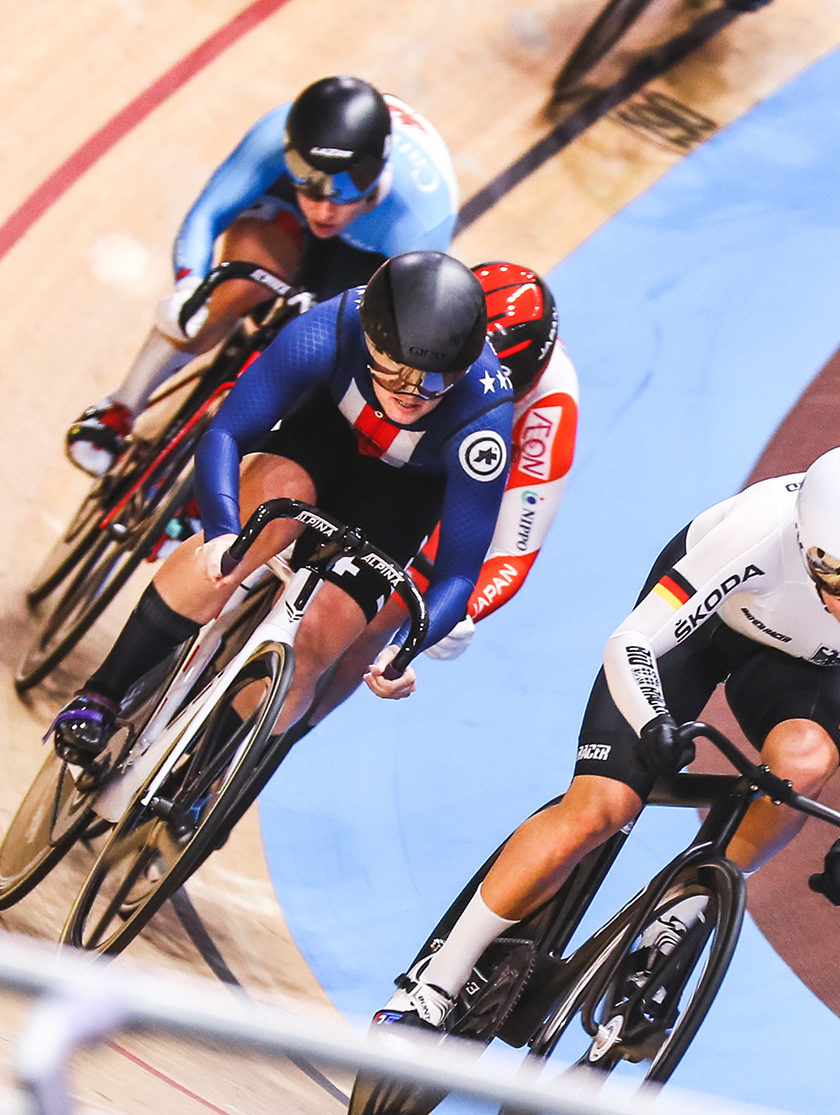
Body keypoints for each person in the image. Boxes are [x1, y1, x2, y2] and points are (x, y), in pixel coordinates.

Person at [375, 445, 840, 1031]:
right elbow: (631, 644)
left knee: (803, 769)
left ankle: (676, 921)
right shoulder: (757, 532)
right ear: (809, 550)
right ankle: (431, 987)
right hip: (700, 629)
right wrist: (654, 720)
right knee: (601, 807)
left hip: (804, 668)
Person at [50, 250, 515, 763]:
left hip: (400, 497)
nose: (408, 395)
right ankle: (100, 695)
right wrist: (224, 530)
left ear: (464, 369)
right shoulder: (332, 327)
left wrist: (406, 650)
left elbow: (457, 574)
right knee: (232, 554)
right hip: (323, 439)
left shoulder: (484, 422)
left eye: (431, 381)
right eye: (390, 369)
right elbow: (227, 432)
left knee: (315, 640)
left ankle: (205, 772)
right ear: (369, 340)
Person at [65, 75, 459, 476]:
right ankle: (119, 409)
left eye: (340, 197)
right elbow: (207, 215)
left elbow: (405, 331)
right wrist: (189, 286)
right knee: (230, 289)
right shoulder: (277, 132)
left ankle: (211, 483)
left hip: (368, 256)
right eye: (312, 188)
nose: (323, 211)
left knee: (318, 375)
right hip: (283, 207)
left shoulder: (421, 219)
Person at [295, 261, 576, 729]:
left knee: (380, 618)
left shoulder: (552, 408)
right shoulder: (428, 316)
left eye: (513, 390)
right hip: (389, 421)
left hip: (451, 477)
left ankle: (280, 735)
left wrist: (464, 610)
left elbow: (512, 550)